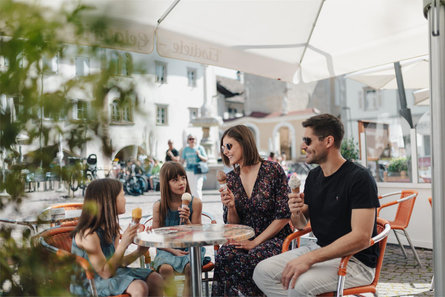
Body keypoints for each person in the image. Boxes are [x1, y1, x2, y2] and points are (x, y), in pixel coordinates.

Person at [253, 114, 380, 296]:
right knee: (262, 272)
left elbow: (361, 237)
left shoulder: (359, 178)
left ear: (328, 141)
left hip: (355, 261)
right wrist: (295, 211)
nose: (303, 146)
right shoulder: (314, 176)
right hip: (321, 249)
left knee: (298, 286)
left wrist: (309, 259)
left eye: (307, 140)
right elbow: (301, 224)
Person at [212, 125, 292, 296]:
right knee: (224, 255)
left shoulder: (272, 170)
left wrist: (256, 242)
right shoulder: (231, 179)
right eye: (223, 147)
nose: (225, 151)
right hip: (245, 239)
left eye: (229, 146)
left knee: (251, 257)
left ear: (244, 143)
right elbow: (233, 225)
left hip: (277, 239)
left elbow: (284, 216)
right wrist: (231, 207)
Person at [70, 178, 163, 297]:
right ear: (109, 201)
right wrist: (124, 244)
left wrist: (140, 251)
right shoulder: (89, 234)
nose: (125, 200)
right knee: (139, 287)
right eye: (122, 196)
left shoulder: (111, 228)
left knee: (156, 279)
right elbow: (104, 273)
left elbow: (118, 263)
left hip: (111, 273)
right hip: (90, 282)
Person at [151, 161, 205, 297]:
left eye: (183, 178)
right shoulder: (159, 206)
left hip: (191, 248)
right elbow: (155, 237)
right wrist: (171, 250)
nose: (181, 182)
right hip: (166, 249)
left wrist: (187, 221)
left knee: (190, 269)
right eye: (175, 180)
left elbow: (198, 235)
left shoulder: (196, 203)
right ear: (165, 184)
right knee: (165, 270)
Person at [181, 134, 207, 199]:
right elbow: (182, 161)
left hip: (198, 170)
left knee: (198, 188)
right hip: (189, 171)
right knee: (192, 189)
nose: (192, 140)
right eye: (190, 139)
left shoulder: (200, 148)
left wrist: (199, 155)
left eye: (193, 139)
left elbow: (205, 159)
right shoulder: (185, 149)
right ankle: (194, 205)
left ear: (195, 140)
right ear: (188, 141)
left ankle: (199, 204)